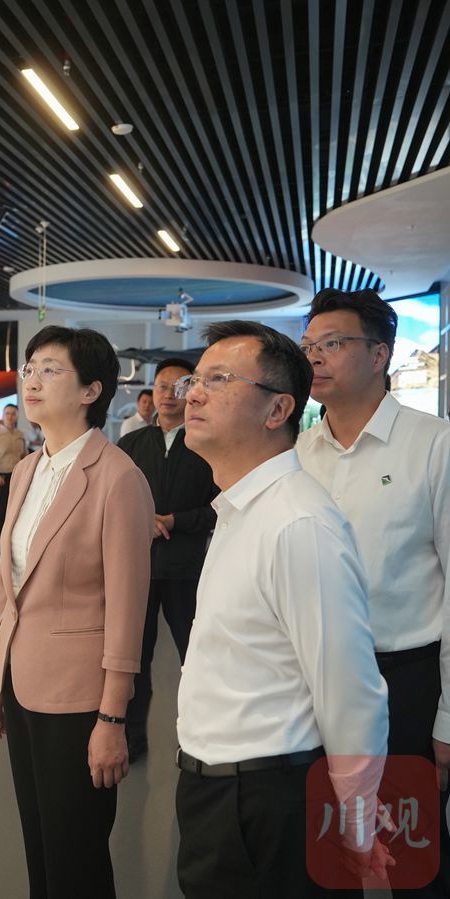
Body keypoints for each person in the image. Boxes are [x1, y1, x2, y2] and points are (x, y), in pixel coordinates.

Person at [175, 320, 390, 896]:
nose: (194, 394)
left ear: (278, 410)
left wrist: (356, 820)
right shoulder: (242, 508)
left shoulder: (298, 523)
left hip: (268, 798)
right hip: (216, 787)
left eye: (220, 380)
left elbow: (348, 687)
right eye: (196, 379)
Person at [0, 326, 154, 899]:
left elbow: (128, 609)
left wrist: (113, 718)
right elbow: (10, 585)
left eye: (51, 369)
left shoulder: (118, 478)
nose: (32, 380)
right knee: (38, 841)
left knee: (76, 854)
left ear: (90, 391)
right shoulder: (29, 470)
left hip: (80, 698)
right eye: (30, 368)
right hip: (22, 682)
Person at [296, 287, 450, 895]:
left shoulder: (433, 444)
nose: (315, 357)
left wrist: (448, 717)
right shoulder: (299, 452)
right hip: (315, 682)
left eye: (332, 343)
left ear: (380, 353)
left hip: (405, 681)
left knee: (413, 857)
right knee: (327, 852)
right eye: (308, 345)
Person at [116, 357, 217, 762]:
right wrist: (142, 520)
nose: (169, 394)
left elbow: (219, 507)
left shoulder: (207, 445)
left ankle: (198, 737)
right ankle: (132, 739)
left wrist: (177, 521)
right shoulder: (131, 446)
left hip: (186, 570)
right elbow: (113, 502)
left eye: (180, 386)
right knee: (133, 660)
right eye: (162, 386)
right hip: (137, 570)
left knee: (195, 657)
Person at [0, 403, 27, 552]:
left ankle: (13, 541)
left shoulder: (20, 435)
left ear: (17, 416)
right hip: (1, 478)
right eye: (7, 413)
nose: (10, 416)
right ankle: (0, 543)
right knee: (2, 511)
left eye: (13, 413)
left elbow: (24, 456)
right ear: (2, 416)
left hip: (17, 477)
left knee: (17, 510)